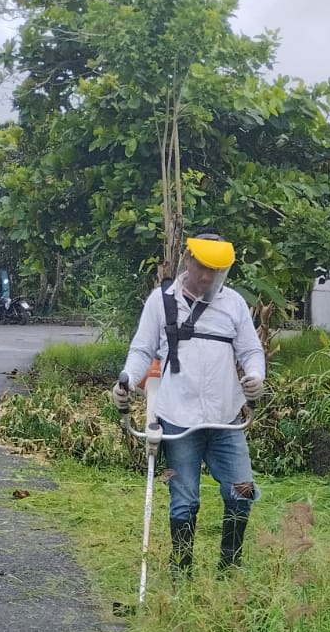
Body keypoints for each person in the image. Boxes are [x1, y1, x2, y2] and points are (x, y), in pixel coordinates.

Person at [113, 232, 265, 576]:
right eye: (202, 268)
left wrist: (256, 376)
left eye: (216, 271)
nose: (208, 277)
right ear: (188, 260)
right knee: (185, 500)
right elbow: (142, 350)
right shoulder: (162, 301)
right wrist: (127, 379)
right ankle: (181, 571)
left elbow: (251, 351)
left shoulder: (234, 304)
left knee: (242, 490)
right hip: (178, 420)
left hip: (226, 419)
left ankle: (230, 568)